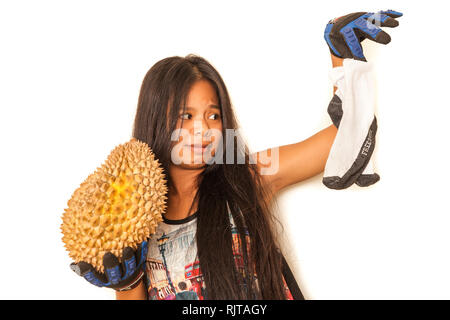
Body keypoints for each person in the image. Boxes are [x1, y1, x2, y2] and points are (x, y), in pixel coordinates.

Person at [70, 10, 402, 300]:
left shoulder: (247, 178)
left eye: (213, 116)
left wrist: (339, 54)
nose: (203, 130)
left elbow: (343, 138)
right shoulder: (134, 224)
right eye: (185, 116)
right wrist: (128, 283)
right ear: (155, 119)